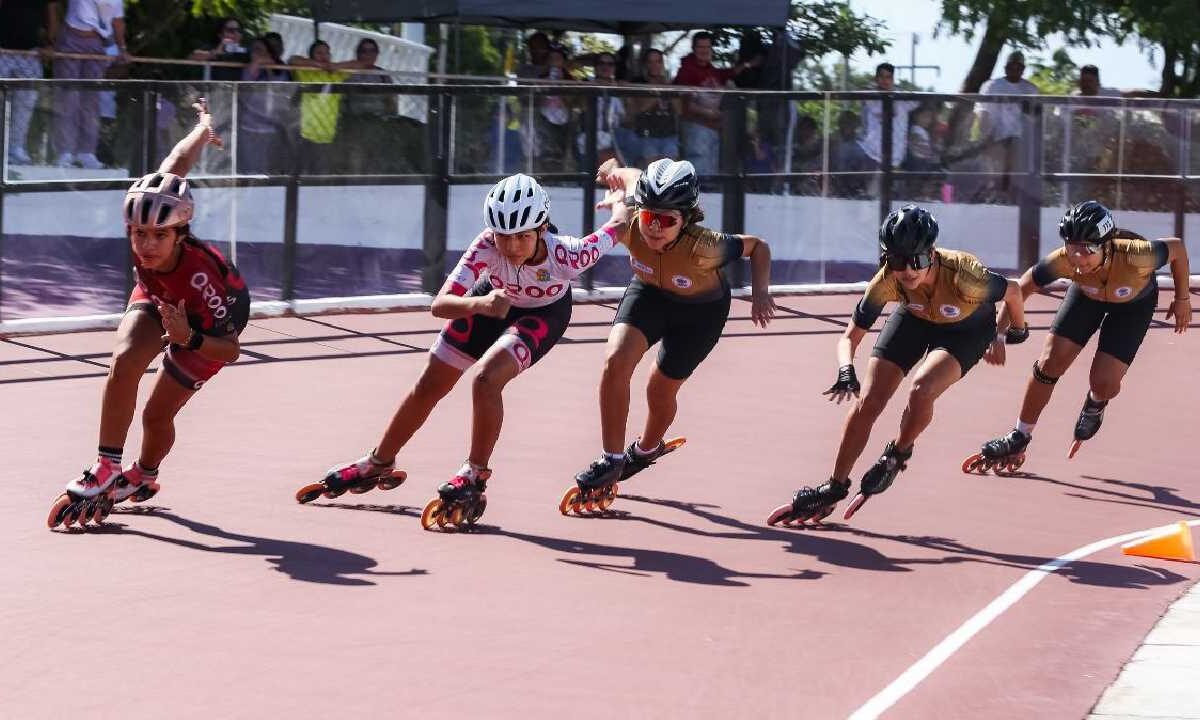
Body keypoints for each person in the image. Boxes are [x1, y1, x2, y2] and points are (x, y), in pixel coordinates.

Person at [306, 173, 630, 530]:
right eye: (504, 236)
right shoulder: (487, 245)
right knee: (430, 383)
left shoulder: (568, 254)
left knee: (486, 380)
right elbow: (440, 305)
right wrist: (481, 304)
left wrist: (621, 197)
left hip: (543, 314)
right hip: (488, 302)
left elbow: (619, 226)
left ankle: (475, 474)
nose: (512, 247)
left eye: (523, 236)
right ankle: (379, 461)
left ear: (542, 229)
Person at [47, 99, 250, 528]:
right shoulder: (156, 213)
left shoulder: (202, 277)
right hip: (160, 296)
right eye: (139, 233)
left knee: (156, 415)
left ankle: (143, 474)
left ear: (180, 232)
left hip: (208, 325)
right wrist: (203, 128)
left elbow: (231, 350)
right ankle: (107, 466)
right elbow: (176, 163)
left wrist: (188, 338)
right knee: (124, 360)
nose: (146, 245)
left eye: (159, 235)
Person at [767, 205, 1027, 526]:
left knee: (922, 389)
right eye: (896, 260)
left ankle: (898, 454)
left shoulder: (966, 276)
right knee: (868, 401)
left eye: (916, 261)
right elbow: (850, 337)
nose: (907, 271)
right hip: (915, 317)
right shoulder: (887, 281)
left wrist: (1012, 331)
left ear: (932, 254)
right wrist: (846, 369)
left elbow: (1014, 291)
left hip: (967, 328)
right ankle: (834, 486)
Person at [566, 157, 775, 511]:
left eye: (666, 221)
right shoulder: (630, 220)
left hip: (700, 313)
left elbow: (758, 246)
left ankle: (645, 450)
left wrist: (761, 292)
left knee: (659, 388)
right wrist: (611, 171)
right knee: (616, 360)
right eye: (650, 216)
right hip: (649, 294)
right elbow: (630, 176)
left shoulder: (705, 246)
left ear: (687, 219)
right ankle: (611, 458)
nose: (654, 228)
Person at [966, 201, 1191, 471]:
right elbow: (1022, 286)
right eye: (1072, 247)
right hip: (1086, 296)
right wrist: (998, 335)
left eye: (1087, 249)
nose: (1078, 258)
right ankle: (1019, 435)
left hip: (1133, 305)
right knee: (1049, 363)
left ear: (1106, 245)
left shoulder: (1137, 255)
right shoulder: (1064, 260)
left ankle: (1096, 402)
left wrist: (1183, 298)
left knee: (1104, 382)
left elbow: (1177, 248)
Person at [52, 0, 129, 169]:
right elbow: (54, 5)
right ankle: (65, 153)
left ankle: (86, 152)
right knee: (68, 98)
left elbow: (117, 21)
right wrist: (54, 37)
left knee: (91, 101)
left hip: (96, 42)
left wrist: (122, 49)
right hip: (71, 37)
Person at [0, 0, 59, 165]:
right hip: (2, 50)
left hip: (31, 52)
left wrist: (50, 44)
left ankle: (16, 148)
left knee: (25, 103)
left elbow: (51, 12)